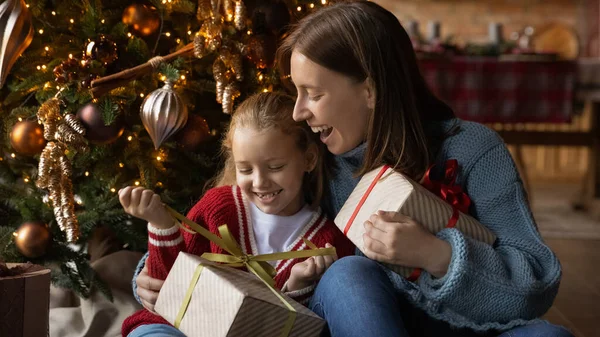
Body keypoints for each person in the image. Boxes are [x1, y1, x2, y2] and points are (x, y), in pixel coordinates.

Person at [132, 2, 574, 336]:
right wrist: (153, 276)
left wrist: (434, 255)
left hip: (476, 327)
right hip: (362, 324)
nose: (300, 113)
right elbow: (235, 216)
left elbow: (539, 283)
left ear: (370, 90)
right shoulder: (314, 159)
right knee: (348, 274)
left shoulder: (475, 150)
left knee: (550, 335)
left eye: (313, 93)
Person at [119, 92, 355, 337]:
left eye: (275, 167)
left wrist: (297, 287)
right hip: (175, 328)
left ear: (308, 159)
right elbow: (166, 288)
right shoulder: (219, 207)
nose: (260, 182)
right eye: (245, 169)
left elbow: (305, 328)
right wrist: (161, 223)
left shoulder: (325, 242)